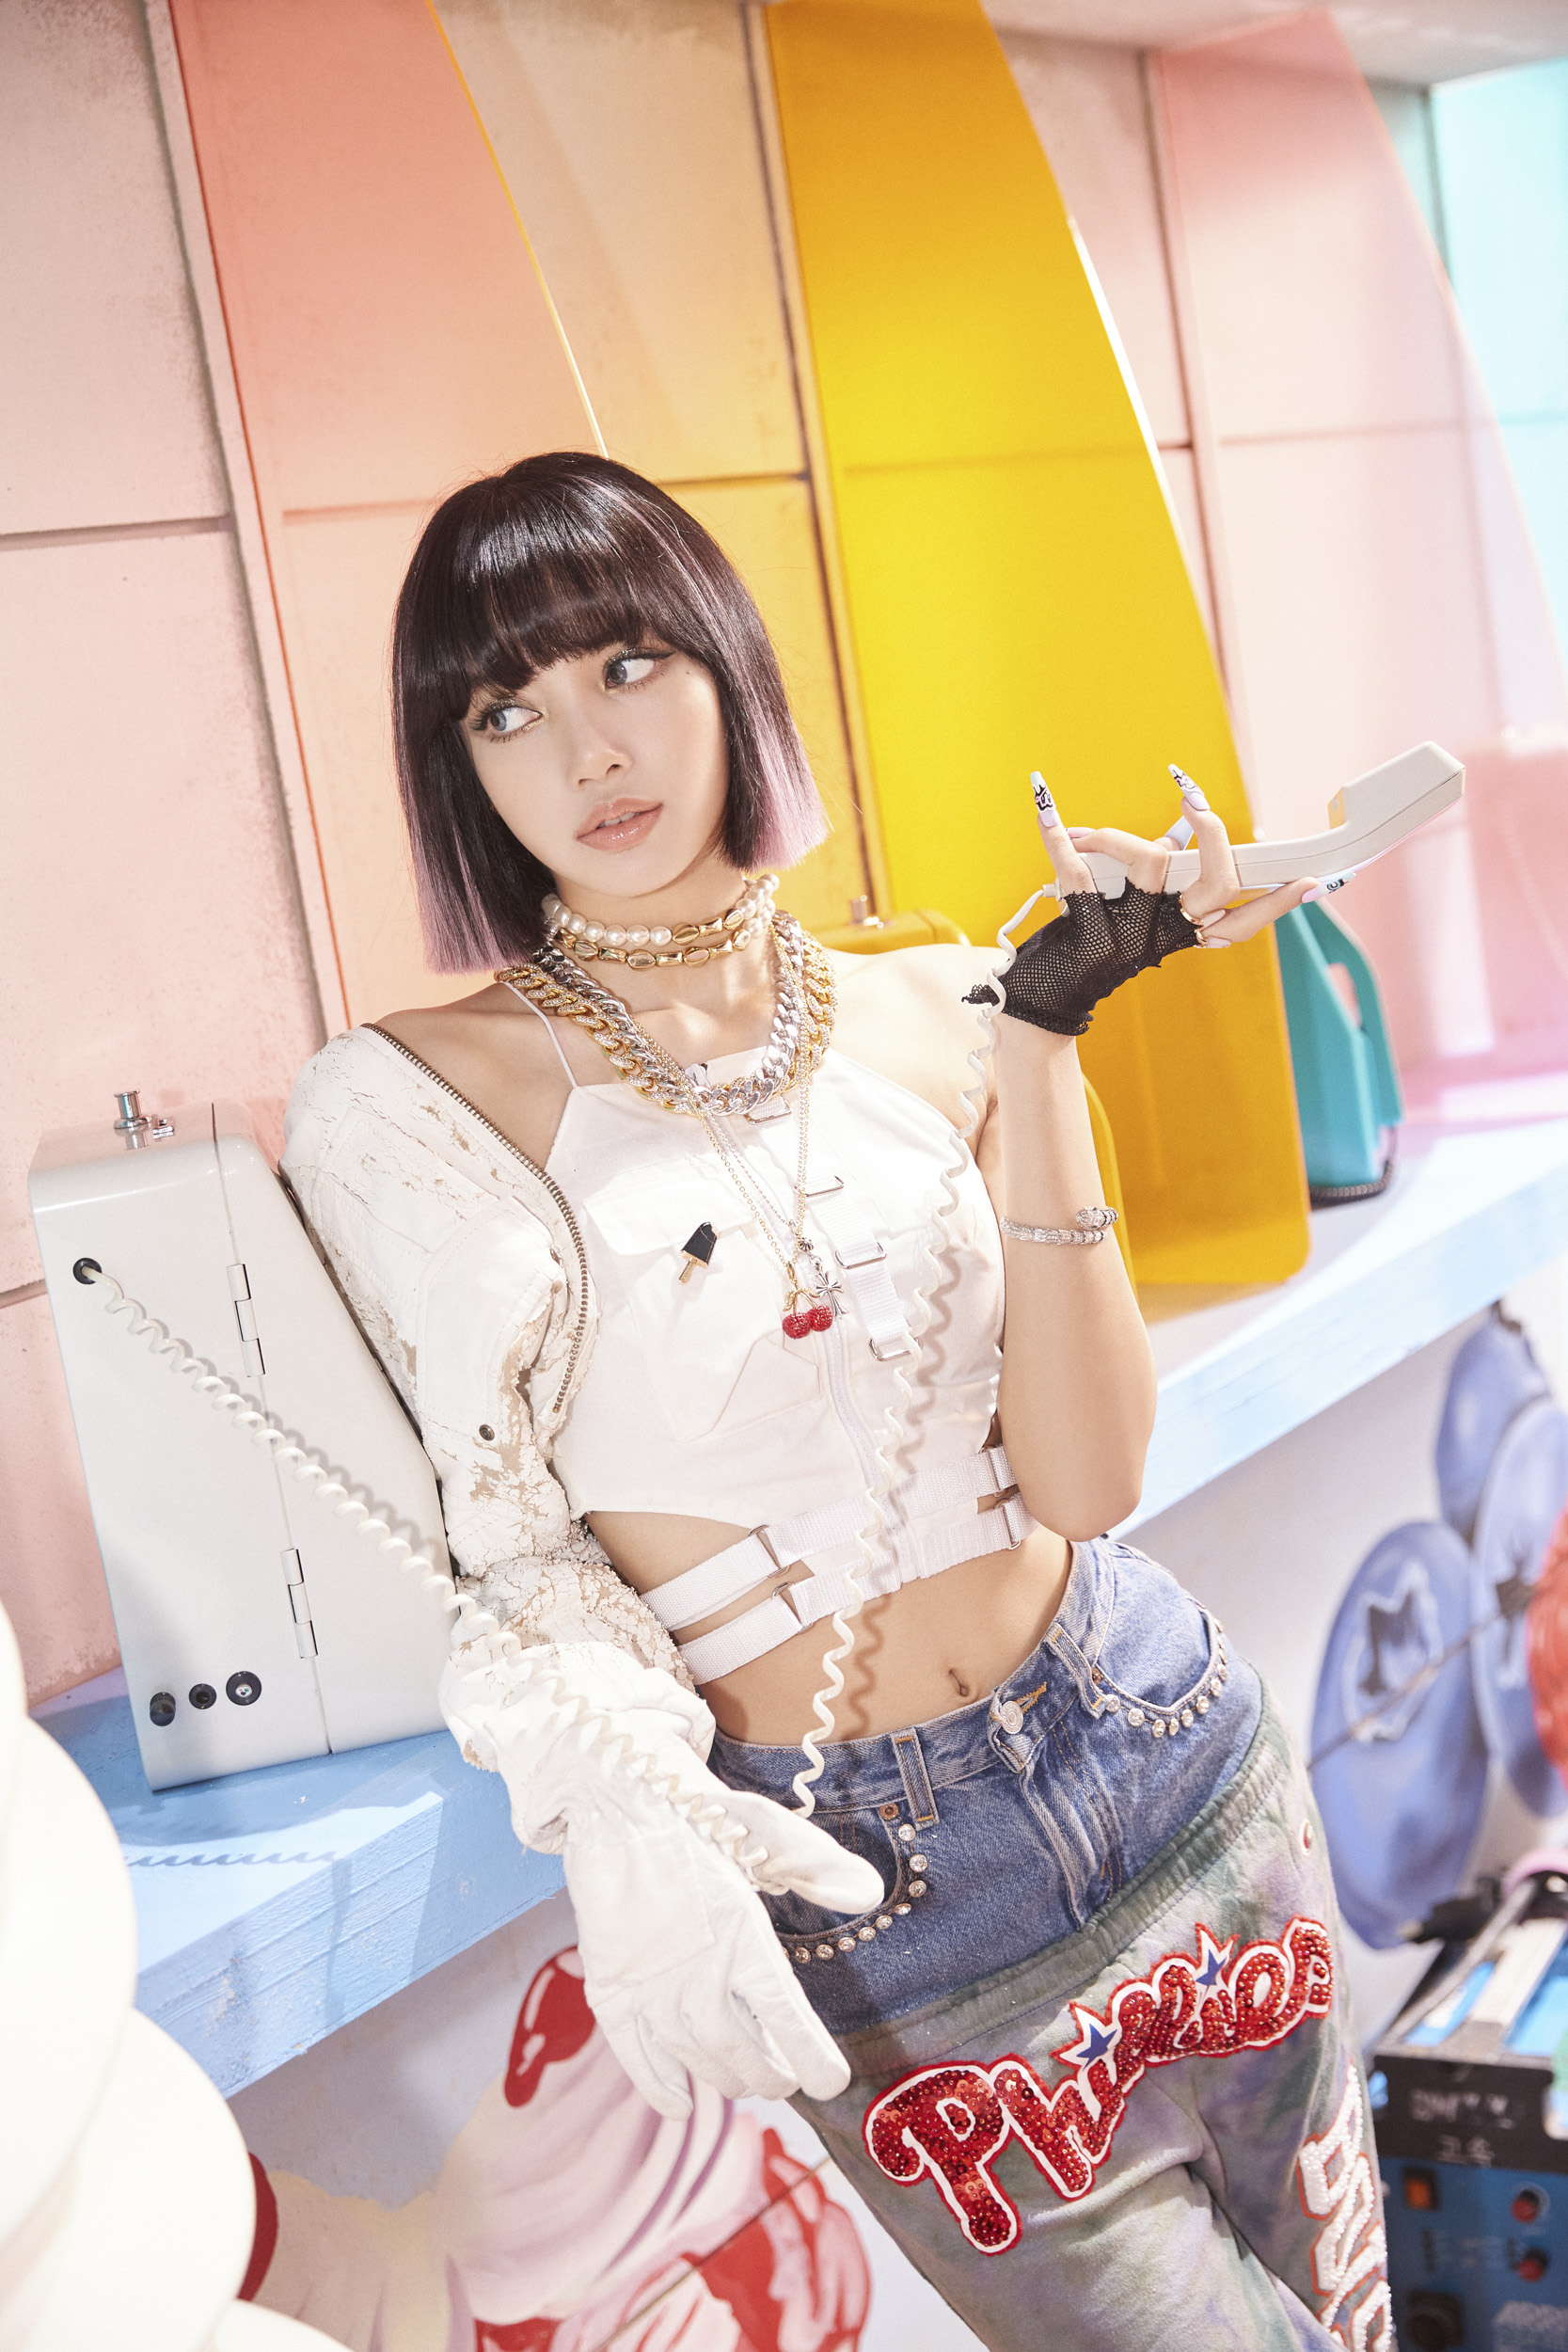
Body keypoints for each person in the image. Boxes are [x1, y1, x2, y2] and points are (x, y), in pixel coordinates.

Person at [280, 452, 1391, 2351]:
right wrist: (634, 1823)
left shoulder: (934, 1000)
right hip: (889, 1898)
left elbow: (1090, 1475)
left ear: (723, 663)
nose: (586, 750)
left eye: (629, 664)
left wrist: (1043, 1033)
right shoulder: (410, 1103)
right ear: (457, 765)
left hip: (1167, 1740)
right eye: (505, 709)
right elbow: (509, 1556)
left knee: (1349, 2318)